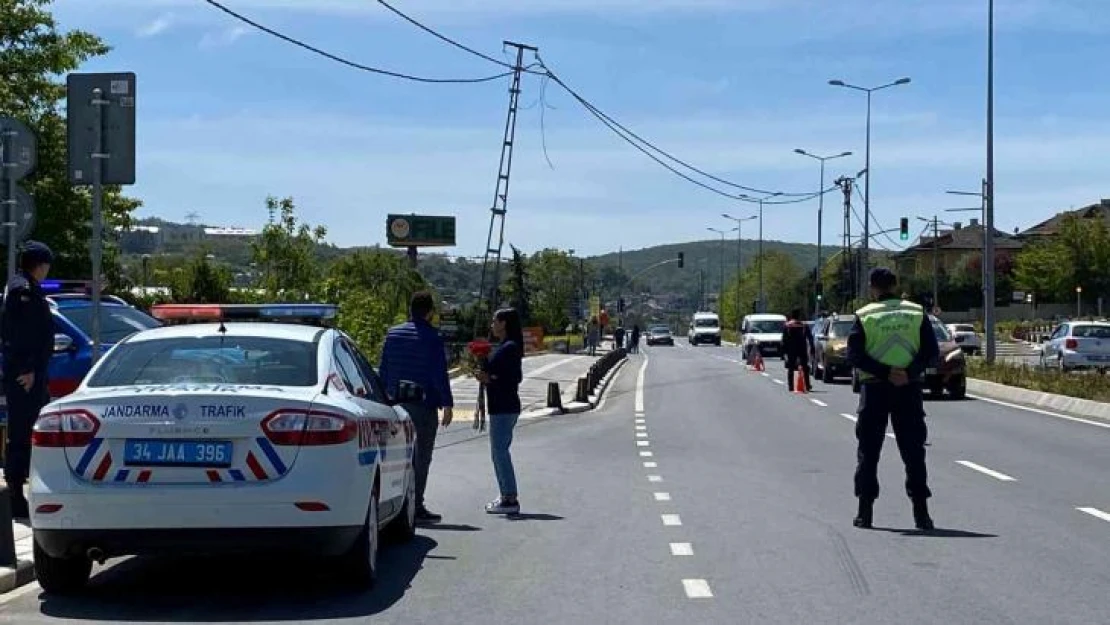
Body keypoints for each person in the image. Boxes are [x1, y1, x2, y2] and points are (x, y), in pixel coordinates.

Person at [847, 268, 939, 531]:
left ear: (872, 287)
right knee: (914, 453)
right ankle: (922, 515)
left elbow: (854, 356)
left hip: (874, 390)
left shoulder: (865, 315)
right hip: (907, 390)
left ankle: (865, 513)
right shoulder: (915, 313)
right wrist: (906, 373)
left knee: (868, 452)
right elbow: (931, 353)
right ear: (895, 286)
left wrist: (884, 372)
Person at [379, 291, 454, 525]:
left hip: (395, 406)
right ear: (430, 312)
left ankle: (396, 504)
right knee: (421, 457)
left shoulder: (393, 334)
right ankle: (416, 505)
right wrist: (447, 403)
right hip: (423, 406)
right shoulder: (432, 337)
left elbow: (384, 370)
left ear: (410, 310)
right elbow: (438, 374)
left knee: (397, 459)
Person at [1, 241, 55, 520]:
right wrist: (28, 369)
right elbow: (21, 335)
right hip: (26, 376)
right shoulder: (23, 291)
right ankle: (14, 495)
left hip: (33, 373)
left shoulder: (25, 287)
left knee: (30, 431)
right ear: (40, 264)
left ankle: (23, 491)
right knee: (23, 432)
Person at [475, 308, 524, 515]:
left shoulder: (509, 347)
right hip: (502, 406)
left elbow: (514, 377)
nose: (492, 325)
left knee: (499, 452)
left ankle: (509, 497)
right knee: (498, 452)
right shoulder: (506, 346)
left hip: (504, 406)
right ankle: (505, 493)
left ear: (504, 323)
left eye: (495, 321)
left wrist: (490, 379)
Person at [782, 308, 811, 392]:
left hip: (791, 349)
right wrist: (812, 347)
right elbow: (809, 337)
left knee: (791, 368)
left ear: (792, 315)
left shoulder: (787, 325)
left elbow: (784, 339)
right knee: (805, 367)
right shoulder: (803, 325)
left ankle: (790, 386)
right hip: (802, 348)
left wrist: (784, 350)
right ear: (799, 315)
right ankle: (807, 385)